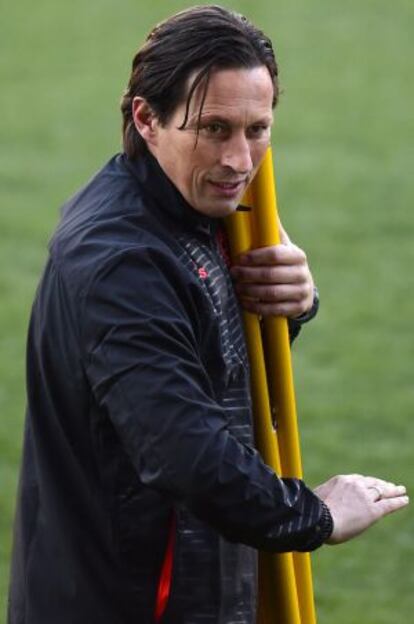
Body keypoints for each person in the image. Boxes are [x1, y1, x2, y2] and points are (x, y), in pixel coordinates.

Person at [8, 6, 408, 624]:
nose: (240, 161)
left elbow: (206, 365)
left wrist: (291, 306)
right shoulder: (122, 260)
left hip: (197, 585)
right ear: (147, 118)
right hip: (129, 603)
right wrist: (317, 515)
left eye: (258, 129)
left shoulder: (199, 209)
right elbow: (186, 454)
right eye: (214, 129)